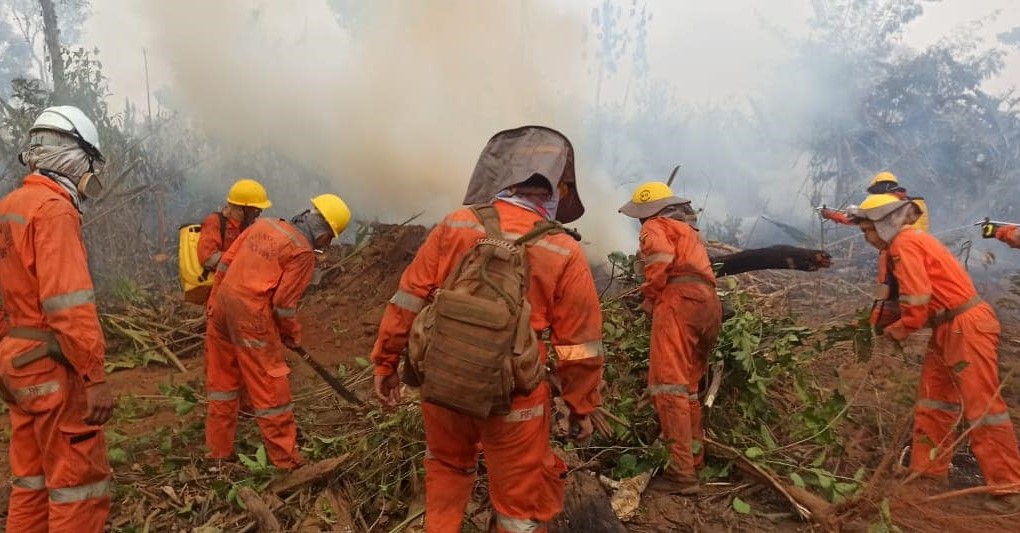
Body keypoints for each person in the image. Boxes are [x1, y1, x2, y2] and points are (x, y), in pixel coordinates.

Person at [371, 125, 604, 533]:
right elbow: (579, 346)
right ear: (558, 193)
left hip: (443, 381)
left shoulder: (456, 224)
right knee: (518, 506)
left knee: (445, 468)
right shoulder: (563, 250)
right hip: (514, 399)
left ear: (501, 179)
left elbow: (407, 299)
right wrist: (580, 407)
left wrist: (385, 363)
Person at [848, 193, 1020, 512]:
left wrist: (898, 330)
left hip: (966, 326)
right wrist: (875, 325)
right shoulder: (899, 245)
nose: (866, 237)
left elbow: (917, 300)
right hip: (948, 326)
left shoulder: (905, 244)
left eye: (867, 230)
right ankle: (927, 473)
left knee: (983, 407)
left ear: (883, 225)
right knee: (934, 399)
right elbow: (893, 297)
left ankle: (1009, 488)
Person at [0, 105, 114, 531]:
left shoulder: (10, 206)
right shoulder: (53, 210)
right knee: (76, 486)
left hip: (16, 363)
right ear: (72, 155)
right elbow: (69, 304)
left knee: (31, 483)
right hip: (53, 366)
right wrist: (94, 375)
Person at [203, 194, 350, 469]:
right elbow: (283, 304)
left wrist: (214, 303)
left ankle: (217, 455)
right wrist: (290, 333)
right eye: (329, 238)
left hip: (222, 305)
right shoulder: (302, 252)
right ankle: (286, 460)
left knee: (222, 384)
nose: (325, 245)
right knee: (272, 388)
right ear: (322, 232)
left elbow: (225, 263)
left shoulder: (263, 226)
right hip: (251, 316)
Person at [618, 181, 721, 495]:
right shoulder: (689, 230)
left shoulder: (655, 225)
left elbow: (660, 258)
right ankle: (694, 460)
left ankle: (680, 474)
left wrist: (650, 293)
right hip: (708, 305)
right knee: (687, 389)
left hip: (680, 303)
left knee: (668, 386)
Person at [197, 178, 272, 275]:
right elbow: (208, 259)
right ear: (241, 209)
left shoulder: (251, 226)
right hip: (216, 285)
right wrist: (244, 260)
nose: (258, 214)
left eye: (260, 210)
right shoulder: (215, 221)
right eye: (255, 210)